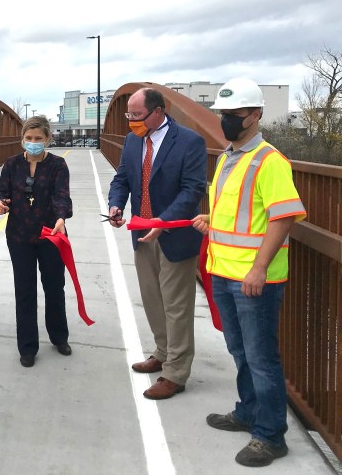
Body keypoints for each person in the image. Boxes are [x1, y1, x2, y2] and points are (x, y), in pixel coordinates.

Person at [192, 78, 306, 467]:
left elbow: (283, 217)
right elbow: (243, 213)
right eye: (223, 114)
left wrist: (258, 269)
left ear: (255, 115)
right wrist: (212, 220)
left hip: (254, 279)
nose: (226, 121)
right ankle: (248, 412)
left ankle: (271, 436)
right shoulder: (227, 157)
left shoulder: (270, 161)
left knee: (261, 357)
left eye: (234, 115)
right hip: (223, 271)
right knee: (239, 350)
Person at [107, 88, 206, 399]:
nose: (132, 121)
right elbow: (122, 178)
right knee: (152, 299)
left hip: (173, 233)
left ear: (159, 111)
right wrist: (116, 204)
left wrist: (162, 222)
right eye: (129, 116)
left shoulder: (189, 141)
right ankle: (162, 352)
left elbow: (192, 190)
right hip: (141, 232)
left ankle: (176, 372)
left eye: (138, 115)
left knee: (176, 305)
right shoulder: (133, 141)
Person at [0, 116, 73, 367]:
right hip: (19, 236)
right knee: (24, 290)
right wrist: (0, 204)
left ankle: (59, 336)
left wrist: (61, 217)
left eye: (38, 138)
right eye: (29, 138)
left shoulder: (58, 165)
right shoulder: (12, 164)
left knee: (54, 286)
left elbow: (62, 196)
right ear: (22, 139)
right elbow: (1, 194)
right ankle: (27, 346)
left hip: (51, 234)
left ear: (48, 139)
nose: (33, 143)